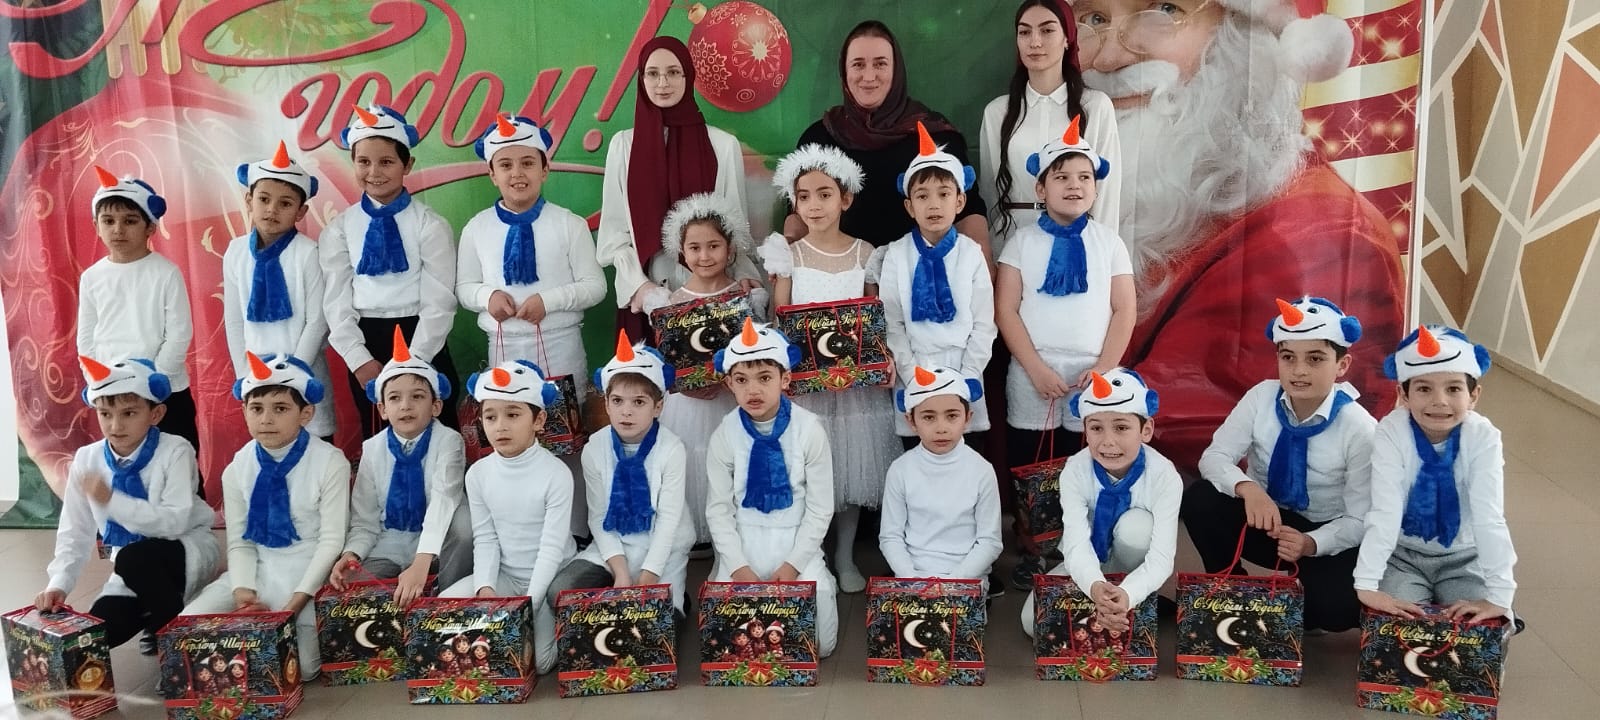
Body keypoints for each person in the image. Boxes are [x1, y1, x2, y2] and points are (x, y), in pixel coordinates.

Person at [1075, 0, 1405, 471]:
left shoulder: (1319, 237)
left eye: (1163, 10)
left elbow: (1198, 444)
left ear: (1245, 42)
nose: (1108, 59)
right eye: (1093, 19)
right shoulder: (1121, 204)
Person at [996, 117, 1134, 589]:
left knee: (1087, 462)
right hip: (1032, 372)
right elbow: (1006, 310)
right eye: (1062, 176)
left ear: (1095, 187)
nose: (1074, 185)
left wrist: (1103, 370)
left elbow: (1124, 311)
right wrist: (1035, 368)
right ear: (1041, 187)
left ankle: (1085, 549)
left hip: (1092, 376)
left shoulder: (1109, 243)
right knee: (1032, 464)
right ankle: (1035, 548)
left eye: (1084, 177)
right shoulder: (1021, 242)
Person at [1185, 297, 1376, 633]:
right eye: (1288, 357)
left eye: (1315, 359)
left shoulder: (1360, 428)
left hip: (1323, 531)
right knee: (1200, 499)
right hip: (1267, 518)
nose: (1299, 370)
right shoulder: (1261, 397)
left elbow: (1361, 518)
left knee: (1338, 608)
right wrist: (1248, 489)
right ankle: (1231, 587)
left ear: (1342, 365)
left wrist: (1311, 543)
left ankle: (1299, 606)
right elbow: (1214, 457)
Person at [760, 144, 899, 594]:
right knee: (810, 469)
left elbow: (875, 318)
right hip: (806, 385)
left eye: (824, 194)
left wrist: (881, 358)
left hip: (854, 387)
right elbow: (780, 317)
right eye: (804, 196)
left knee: (851, 468)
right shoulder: (788, 255)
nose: (814, 205)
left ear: (846, 199)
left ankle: (844, 553)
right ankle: (813, 553)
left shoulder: (865, 253)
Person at [36, 356, 220, 656]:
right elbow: (75, 530)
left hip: (184, 550)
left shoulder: (176, 450)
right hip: (130, 568)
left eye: (129, 413)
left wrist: (111, 501)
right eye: (105, 414)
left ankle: (176, 641)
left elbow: (173, 523)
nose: (115, 425)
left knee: (134, 558)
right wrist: (59, 583)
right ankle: (157, 610)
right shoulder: (87, 458)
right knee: (95, 636)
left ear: (156, 413)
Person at [182, 352, 351, 679]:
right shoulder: (237, 468)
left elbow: (331, 542)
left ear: (306, 413)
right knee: (189, 624)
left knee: (303, 669)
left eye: (281, 408)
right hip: (258, 570)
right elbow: (240, 542)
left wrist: (294, 604)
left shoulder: (330, 462)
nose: (266, 419)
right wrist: (243, 593)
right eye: (256, 408)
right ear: (244, 411)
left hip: (307, 575)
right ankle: (243, 651)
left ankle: (249, 652)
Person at [596, 36, 760, 340]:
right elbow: (613, 237)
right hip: (646, 301)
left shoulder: (722, 146)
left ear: (688, 76)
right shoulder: (624, 147)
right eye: (652, 73)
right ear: (641, 79)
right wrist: (641, 288)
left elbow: (735, 230)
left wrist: (746, 276)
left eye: (673, 72)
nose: (662, 83)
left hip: (714, 300)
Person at [1354, 326, 1518, 626]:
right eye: (1424, 389)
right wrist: (1367, 584)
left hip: (1465, 557)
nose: (1439, 401)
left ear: (1474, 395)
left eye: (1453, 389)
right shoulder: (1392, 431)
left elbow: (1489, 516)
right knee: (1397, 626)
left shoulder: (1483, 437)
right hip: (1403, 556)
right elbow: (1385, 510)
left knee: (1477, 626)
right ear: (1403, 394)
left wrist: (1500, 596)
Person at [789, 20, 990, 254]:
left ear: (896, 70)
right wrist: (787, 258)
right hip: (841, 272)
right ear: (844, 71)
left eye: (880, 64)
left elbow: (969, 213)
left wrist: (982, 268)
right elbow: (795, 214)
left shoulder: (936, 136)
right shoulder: (818, 140)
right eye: (858, 64)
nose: (868, 76)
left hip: (920, 270)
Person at [320, 104, 459, 437]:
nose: (374, 172)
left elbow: (440, 301)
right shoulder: (339, 229)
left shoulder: (430, 225)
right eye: (363, 162)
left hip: (422, 338)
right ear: (353, 162)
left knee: (437, 435)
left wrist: (417, 360)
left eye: (386, 162)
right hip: (367, 341)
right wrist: (357, 358)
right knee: (379, 437)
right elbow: (336, 300)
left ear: (407, 164)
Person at [704, 319, 838, 658]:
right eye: (741, 380)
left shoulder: (809, 429)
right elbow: (719, 510)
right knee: (725, 647)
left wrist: (793, 566)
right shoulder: (724, 434)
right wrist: (738, 568)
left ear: (785, 379)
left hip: (795, 545)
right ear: (729, 383)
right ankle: (722, 572)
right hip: (744, 546)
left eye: (764, 378)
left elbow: (821, 507)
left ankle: (822, 579)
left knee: (819, 646)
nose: (753, 390)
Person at [1020, 368, 1179, 639]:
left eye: (1121, 427)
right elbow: (1076, 543)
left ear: (1146, 429)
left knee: (1137, 527)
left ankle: (1133, 596)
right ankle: (1116, 604)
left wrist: (1127, 593)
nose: (1108, 442)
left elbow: (1162, 558)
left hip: (1133, 567)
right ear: (1085, 429)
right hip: (1089, 561)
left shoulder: (1164, 476)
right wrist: (1094, 586)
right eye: (1096, 428)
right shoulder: (1075, 469)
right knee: (1031, 622)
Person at [441, 360, 575, 677]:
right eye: (491, 416)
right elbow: (486, 538)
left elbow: (551, 547)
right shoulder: (478, 474)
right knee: (444, 607)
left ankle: (568, 621)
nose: (500, 426)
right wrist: (486, 588)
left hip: (547, 577)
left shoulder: (556, 474)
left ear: (538, 419)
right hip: (505, 576)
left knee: (540, 663)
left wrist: (529, 602)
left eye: (513, 415)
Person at [652, 193, 769, 555]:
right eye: (695, 247)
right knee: (697, 463)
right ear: (682, 252)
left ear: (730, 249)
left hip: (733, 402)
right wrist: (685, 384)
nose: (704, 256)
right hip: (690, 406)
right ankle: (703, 538)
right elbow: (669, 362)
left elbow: (759, 354)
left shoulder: (746, 296)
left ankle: (736, 543)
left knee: (735, 462)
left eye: (713, 246)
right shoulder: (672, 302)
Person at [545, 330, 695, 612]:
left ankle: (676, 597)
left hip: (663, 547)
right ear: (606, 403)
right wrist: (621, 573)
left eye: (638, 402)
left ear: (658, 407)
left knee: (654, 620)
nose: (626, 411)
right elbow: (598, 515)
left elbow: (668, 521)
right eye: (617, 401)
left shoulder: (672, 448)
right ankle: (612, 591)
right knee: (560, 594)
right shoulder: (594, 448)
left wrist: (648, 576)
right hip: (614, 548)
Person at [456, 113, 605, 388]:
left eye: (527, 163)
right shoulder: (476, 228)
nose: (517, 173)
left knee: (562, 415)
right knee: (510, 413)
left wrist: (548, 301)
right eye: (505, 165)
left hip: (561, 346)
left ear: (544, 170)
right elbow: (464, 287)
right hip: (502, 347)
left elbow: (595, 286)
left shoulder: (570, 224)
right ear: (492, 174)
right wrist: (487, 297)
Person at [76, 168, 202, 489]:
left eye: (130, 221)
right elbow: (86, 339)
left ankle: (186, 519)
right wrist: (97, 381)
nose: (118, 229)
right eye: (108, 221)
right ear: (96, 226)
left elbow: (179, 333)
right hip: (115, 393)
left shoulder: (166, 272)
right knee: (125, 468)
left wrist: (155, 382)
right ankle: (125, 519)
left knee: (179, 465)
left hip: (165, 390)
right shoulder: (92, 277)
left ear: (150, 227)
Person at [328, 327, 471, 605]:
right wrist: (352, 553)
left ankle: (446, 603)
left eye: (417, 396)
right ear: (382, 409)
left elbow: (444, 500)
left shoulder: (448, 440)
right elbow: (365, 518)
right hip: (389, 543)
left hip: (436, 542)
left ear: (436, 406)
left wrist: (420, 564)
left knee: (465, 524)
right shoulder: (373, 448)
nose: (406, 406)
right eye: (394, 398)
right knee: (350, 595)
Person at [879, 123, 998, 441]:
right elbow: (892, 323)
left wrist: (968, 375)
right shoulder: (896, 255)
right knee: (919, 451)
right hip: (915, 368)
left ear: (959, 202)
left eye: (944, 194)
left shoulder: (971, 254)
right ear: (909, 206)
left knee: (965, 449)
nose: (934, 205)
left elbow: (984, 324)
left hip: (963, 367)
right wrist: (912, 375)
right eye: (922, 196)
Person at [980, 0, 1121, 253]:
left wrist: (1102, 255)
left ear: (1068, 38)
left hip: (1077, 243)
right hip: (1011, 243)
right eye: (1025, 32)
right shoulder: (998, 112)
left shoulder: (1095, 106)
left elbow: (1106, 192)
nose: (1035, 42)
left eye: (1047, 30)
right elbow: (990, 192)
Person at [223, 141, 335, 440]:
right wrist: (244, 373)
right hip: (257, 374)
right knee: (270, 442)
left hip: (305, 367)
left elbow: (318, 321)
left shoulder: (308, 253)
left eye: (285, 204)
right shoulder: (235, 252)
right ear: (249, 200)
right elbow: (234, 320)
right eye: (264, 199)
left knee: (314, 444)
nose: (272, 209)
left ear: (301, 211)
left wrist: (295, 371)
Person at [878, 366, 1003, 593]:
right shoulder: (900, 470)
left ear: (968, 418)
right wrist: (912, 579)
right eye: (929, 417)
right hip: (913, 578)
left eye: (952, 416)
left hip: (965, 579)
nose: (941, 428)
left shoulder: (982, 470)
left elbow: (990, 541)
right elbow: (890, 537)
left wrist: (954, 581)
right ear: (911, 421)